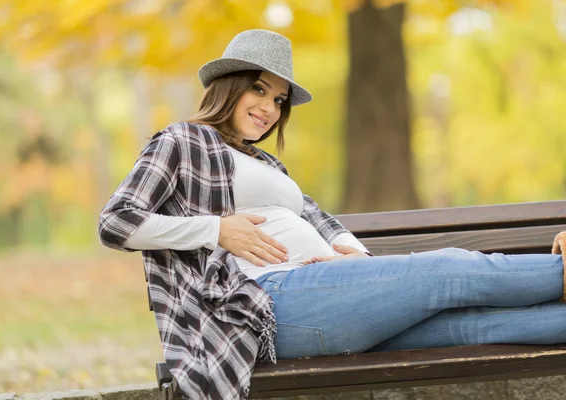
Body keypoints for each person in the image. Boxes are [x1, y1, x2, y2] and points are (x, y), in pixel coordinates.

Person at [98, 29, 566, 400]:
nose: (269, 108)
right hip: (269, 303)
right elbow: (116, 222)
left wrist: (353, 258)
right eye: (259, 90)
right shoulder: (182, 141)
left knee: (477, 325)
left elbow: (321, 222)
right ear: (229, 86)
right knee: (450, 270)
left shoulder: (268, 164)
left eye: (279, 100)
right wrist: (217, 229)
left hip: (333, 298)